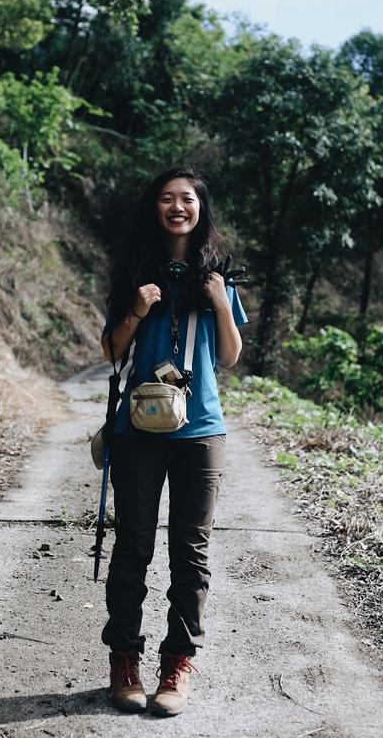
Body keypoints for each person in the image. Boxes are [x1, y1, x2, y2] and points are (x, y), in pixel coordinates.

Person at [99, 165, 248, 717]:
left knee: (191, 552)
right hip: (138, 429)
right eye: (167, 198)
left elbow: (229, 357)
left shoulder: (219, 277)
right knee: (133, 547)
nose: (177, 207)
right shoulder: (134, 271)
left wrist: (219, 301)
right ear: (154, 208)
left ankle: (178, 664)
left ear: (201, 208)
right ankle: (124, 661)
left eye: (187, 198)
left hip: (201, 430)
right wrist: (138, 308)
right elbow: (112, 352)